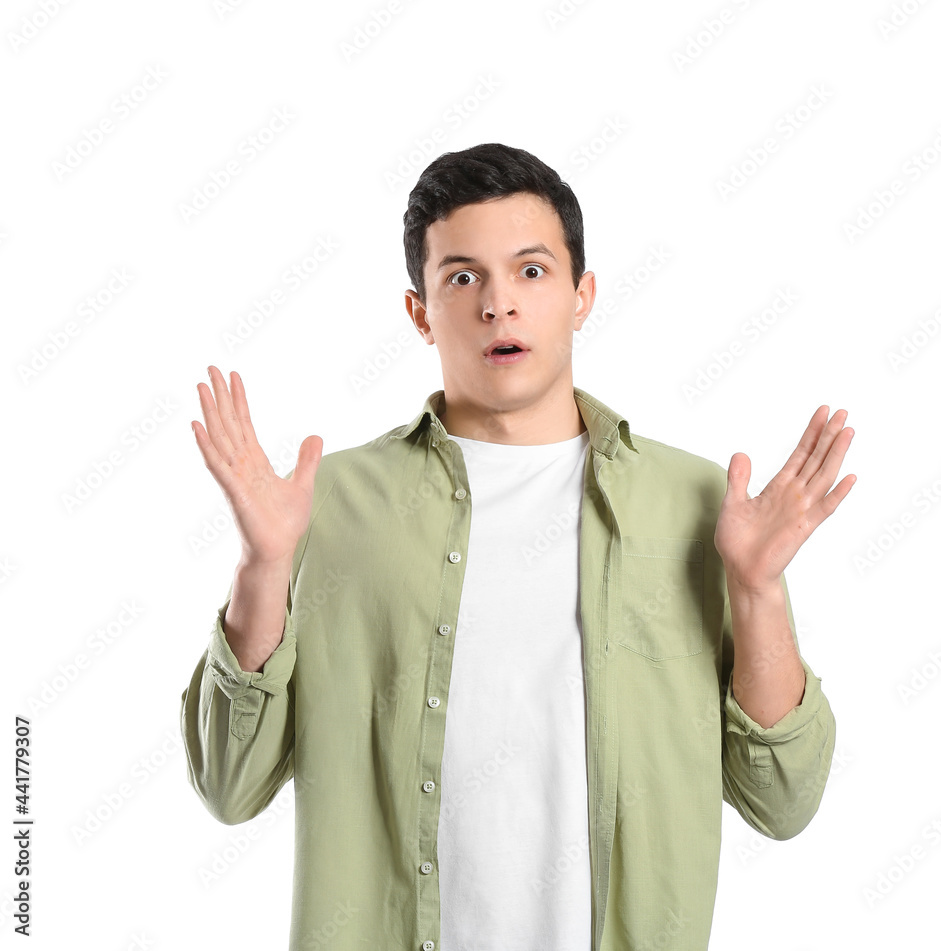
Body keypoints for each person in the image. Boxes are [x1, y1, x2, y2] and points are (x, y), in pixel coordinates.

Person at [180, 142, 855, 951]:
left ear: (582, 293)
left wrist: (755, 589)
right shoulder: (327, 505)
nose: (499, 303)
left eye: (531, 271)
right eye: (463, 277)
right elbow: (227, 785)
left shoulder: (699, 507)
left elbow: (784, 801)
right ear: (420, 311)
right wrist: (262, 565)